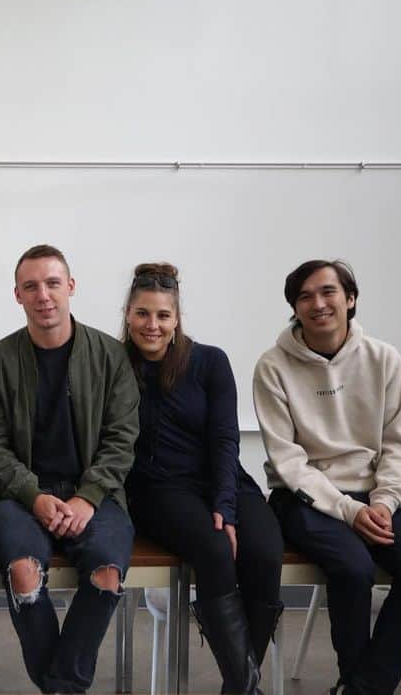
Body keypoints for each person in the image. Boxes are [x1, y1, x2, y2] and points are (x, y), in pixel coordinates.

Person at [253, 259, 401, 695]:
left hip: (376, 497)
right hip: (304, 498)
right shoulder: (273, 366)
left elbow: (400, 443)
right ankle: (360, 684)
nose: (318, 303)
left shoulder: (383, 359)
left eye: (328, 292)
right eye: (305, 296)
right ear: (295, 308)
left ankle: (363, 687)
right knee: (352, 568)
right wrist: (347, 509)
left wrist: (383, 502)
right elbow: (288, 461)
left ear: (350, 299)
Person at [0, 244, 139, 694]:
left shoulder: (110, 356)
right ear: (17, 295)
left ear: (70, 287)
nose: (43, 295)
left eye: (52, 283)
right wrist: (35, 496)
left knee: (106, 572)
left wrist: (87, 497)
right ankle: (64, 686)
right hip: (20, 497)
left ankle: (60, 687)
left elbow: (121, 441)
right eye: (31, 286)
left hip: (95, 494)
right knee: (24, 572)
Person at [121, 262, 283, 694]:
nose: (151, 325)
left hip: (222, 480)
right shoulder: (114, 364)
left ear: (177, 319)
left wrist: (225, 506)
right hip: (157, 489)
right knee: (215, 550)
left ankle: (238, 685)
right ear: (128, 315)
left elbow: (226, 438)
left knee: (266, 552)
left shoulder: (210, 362)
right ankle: (246, 686)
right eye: (142, 314)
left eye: (162, 315)